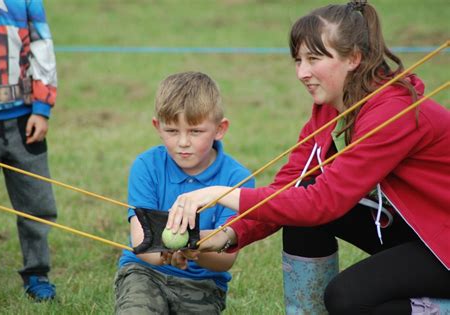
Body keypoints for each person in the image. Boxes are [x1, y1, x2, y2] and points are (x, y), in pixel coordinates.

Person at [165, 1, 450, 314]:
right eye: (298, 60)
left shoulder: (393, 112)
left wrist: (220, 194)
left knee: (347, 299)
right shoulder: (331, 106)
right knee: (300, 204)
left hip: (443, 243)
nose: (302, 72)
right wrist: (228, 234)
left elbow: (324, 201)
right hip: (423, 231)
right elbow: (293, 185)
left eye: (314, 59)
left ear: (354, 58)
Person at [114, 71, 255, 314]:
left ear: (220, 129)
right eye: (172, 131)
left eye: (195, 131)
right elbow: (141, 241)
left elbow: (225, 260)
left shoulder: (237, 180)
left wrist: (193, 250)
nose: (183, 142)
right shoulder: (146, 166)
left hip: (203, 282)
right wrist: (165, 257)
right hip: (144, 272)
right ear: (157, 127)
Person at [0, 0, 57, 301]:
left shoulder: (28, 2)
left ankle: (37, 273)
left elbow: (42, 47)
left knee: (36, 204)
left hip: (24, 120)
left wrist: (42, 107)